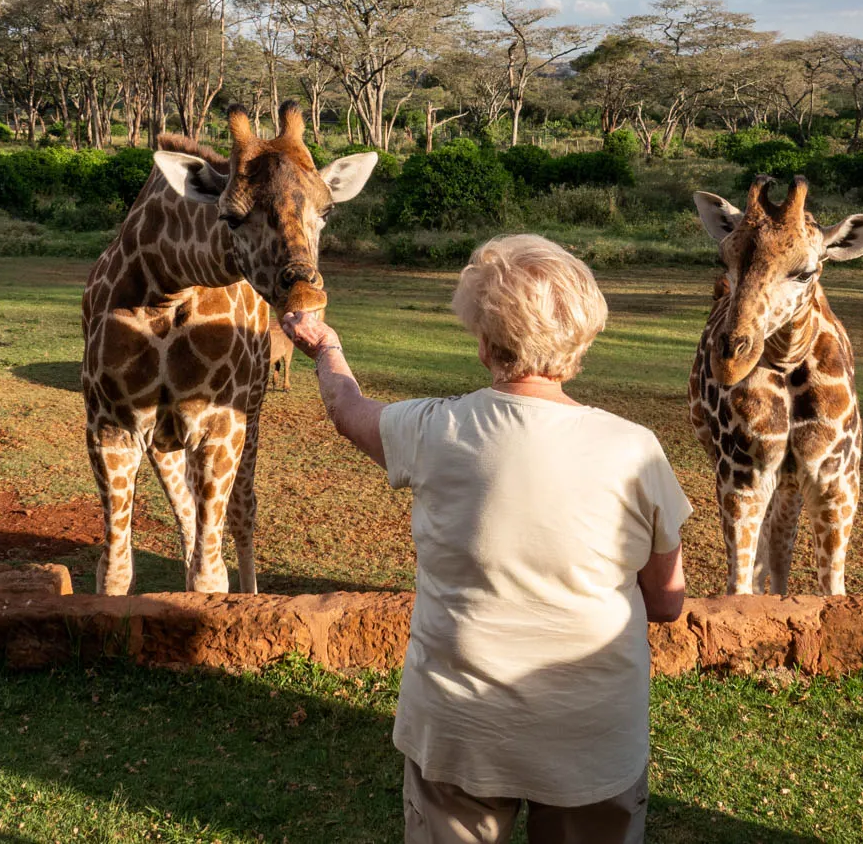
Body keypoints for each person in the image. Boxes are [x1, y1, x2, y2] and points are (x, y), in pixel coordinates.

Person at [281, 234, 692, 844]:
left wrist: (325, 345)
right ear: (582, 342)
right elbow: (666, 602)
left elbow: (348, 409)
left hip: (457, 729)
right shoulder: (637, 450)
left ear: (482, 341)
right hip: (593, 737)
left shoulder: (432, 428)